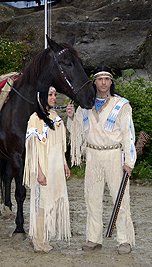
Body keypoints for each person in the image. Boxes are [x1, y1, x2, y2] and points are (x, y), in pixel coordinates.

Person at [66, 66, 136, 255]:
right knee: (92, 199)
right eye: (100, 79)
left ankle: (124, 240)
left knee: (120, 199)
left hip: (114, 155)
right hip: (93, 156)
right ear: (94, 82)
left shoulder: (121, 105)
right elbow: (77, 133)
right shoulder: (85, 105)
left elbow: (129, 134)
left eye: (107, 79)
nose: (103, 82)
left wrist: (129, 161)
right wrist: (72, 117)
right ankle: (94, 238)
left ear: (111, 82)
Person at [23, 86, 71, 253]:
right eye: (50, 95)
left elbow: (60, 144)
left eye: (54, 95)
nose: (53, 98)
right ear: (41, 97)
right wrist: (39, 171)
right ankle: (38, 240)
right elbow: (32, 149)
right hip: (43, 166)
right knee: (41, 202)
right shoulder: (34, 119)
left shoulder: (55, 116)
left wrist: (64, 164)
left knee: (52, 200)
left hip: (56, 166)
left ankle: (45, 237)